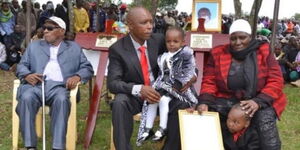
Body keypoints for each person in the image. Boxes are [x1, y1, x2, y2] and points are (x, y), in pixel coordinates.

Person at [107, 7, 193, 150]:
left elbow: (183, 57)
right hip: (136, 98)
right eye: (144, 23)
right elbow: (113, 83)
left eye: (151, 22)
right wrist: (139, 89)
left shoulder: (159, 40)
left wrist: (191, 75)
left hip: (162, 94)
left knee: (182, 103)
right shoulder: (118, 49)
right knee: (119, 102)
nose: (150, 26)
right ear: (130, 25)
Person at [197, 19, 287, 150]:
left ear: (250, 37)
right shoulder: (218, 53)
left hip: (260, 98)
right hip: (227, 97)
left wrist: (258, 101)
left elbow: (276, 80)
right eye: (233, 38)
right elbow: (209, 80)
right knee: (207, 113)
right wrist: (204, 101)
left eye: (242, 37)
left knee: (264, 120)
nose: (238, 42)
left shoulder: (263, 51)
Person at [15, 16, 94, 150]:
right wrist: (27, 74)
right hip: (35, 86)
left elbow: (87, 67)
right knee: (26, 98)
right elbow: (21, 65)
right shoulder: (34, 46)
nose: (45, 31)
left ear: (61, 31)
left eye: (50, 28)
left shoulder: (73, 47)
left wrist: (77, 76)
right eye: (44, 28)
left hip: (60, 87)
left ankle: (58, 146)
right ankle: (30, 146)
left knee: (62, 100)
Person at [137, 27, 198, 144]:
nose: (171, 44)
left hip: (177, 88)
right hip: (163, 85)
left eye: (175, 41)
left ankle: (162, 128)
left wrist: (186, 79)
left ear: (183, 42)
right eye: (168, 41)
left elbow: (191, 70)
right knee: (152, 99)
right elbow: (161, 73)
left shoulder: (185, 55)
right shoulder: (163, 56)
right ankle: (148, 129)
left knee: (163, 100)